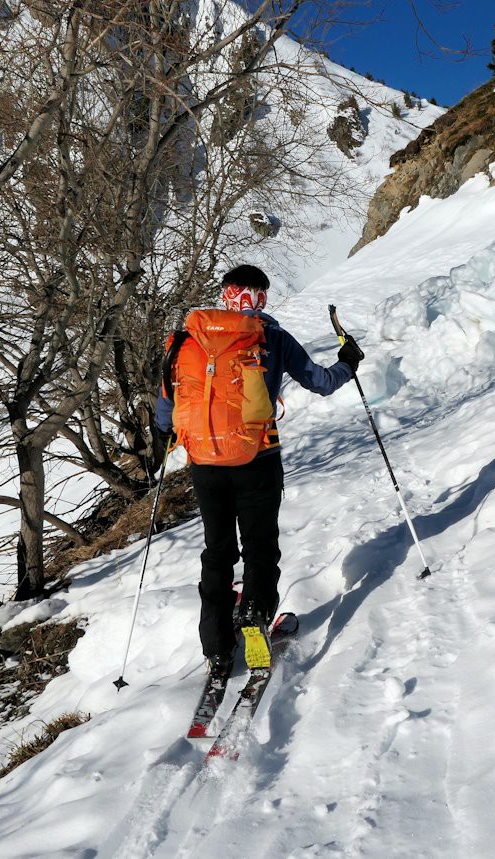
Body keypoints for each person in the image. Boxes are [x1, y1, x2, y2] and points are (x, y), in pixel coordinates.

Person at [152, 264, 363, 676]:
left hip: (204, 465)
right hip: (258, 460)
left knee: (217, 553)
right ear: (261, 298)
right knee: (260, 546)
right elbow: (319, 381)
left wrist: (163, 437)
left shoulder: (184, 340)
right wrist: (348, 362)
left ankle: (215, 645)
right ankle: (254, 615)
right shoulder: (272, 337)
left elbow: (166, 407)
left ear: (225, 295)